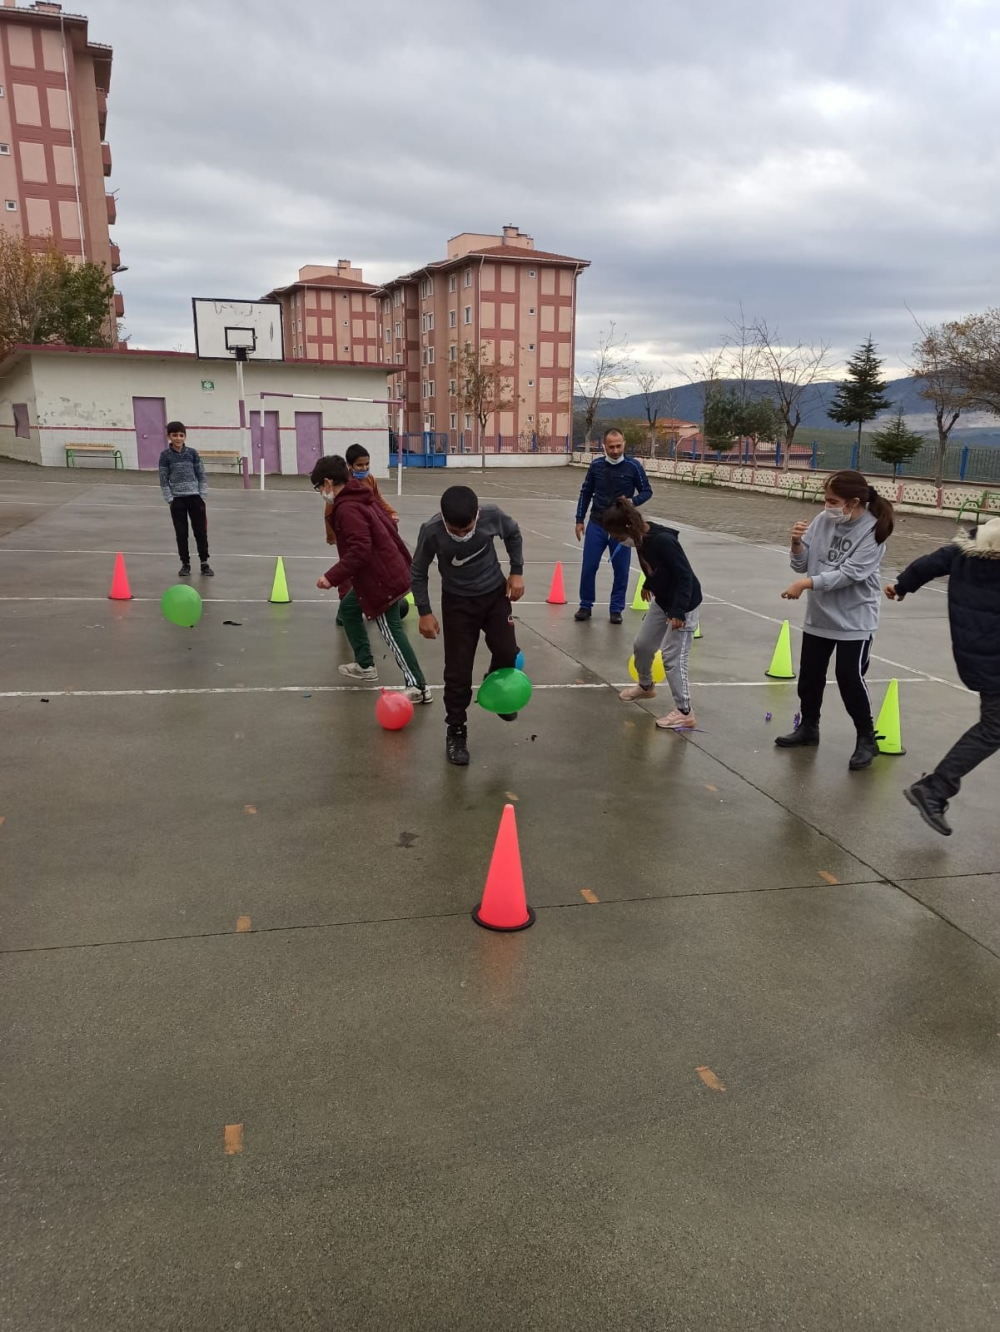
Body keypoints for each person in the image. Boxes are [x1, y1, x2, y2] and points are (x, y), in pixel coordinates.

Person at [885, 517, 1000, 836]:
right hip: (994, 661)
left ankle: (936, 787)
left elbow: (928, 564)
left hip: (973, 654)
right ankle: (934, 788)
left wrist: (901, 585)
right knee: (993, 729)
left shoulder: (966, 549)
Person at [775, 470, 894, 771]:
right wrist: (796, 543)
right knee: (810, 675)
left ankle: (867, 739)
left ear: (854, 502)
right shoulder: (823, 519)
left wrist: (804, 585)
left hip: (855, 617)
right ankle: (809, 727)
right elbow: (802, 564)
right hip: (820, 614)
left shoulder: (873, 531)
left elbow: (850, 574)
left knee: (849, 677)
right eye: (826, 499)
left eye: (833, 500)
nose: (827, 506)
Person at [411, 485, 524, 766]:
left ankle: (495, 687)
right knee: (458, 671)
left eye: (467, 529)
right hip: (458, 604)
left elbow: (513, 533)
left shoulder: (491, 516)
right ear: (444, 519)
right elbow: (418, 571)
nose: (461, 536)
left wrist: (517, 571)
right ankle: (456, 730)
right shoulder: (432, 530)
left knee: (508, 652)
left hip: (494, 596)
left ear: (477, 514)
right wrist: (424, 612)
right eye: (455, 531)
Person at [310, 455, 431, 705]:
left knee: (391, 630)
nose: (321, 492)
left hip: (380, 578)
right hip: (380, 572)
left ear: (328, 482)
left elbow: (360, 551)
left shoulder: (347, 508)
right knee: (349, 609)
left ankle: (418, 686)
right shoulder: (359, 496)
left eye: (319, 487)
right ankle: (365, 665)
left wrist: (331, 577)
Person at [602, 497, 703, 730]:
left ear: (628, 527)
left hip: (683, 605)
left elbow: (684, 576)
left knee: (672, 658)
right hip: (663, 599)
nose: (618, 541)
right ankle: (646, 687)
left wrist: (679, 612)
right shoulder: (640, 538)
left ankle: (685, 711)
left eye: (618, 537)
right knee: (643, 645)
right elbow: (658, 568)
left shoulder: (663, 541)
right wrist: (649, 582)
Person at [324, 443, 405, 682]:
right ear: (350, 467)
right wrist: (331, 535)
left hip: (363, 536)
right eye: (359, 465)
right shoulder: (342, 486)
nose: (364, 468)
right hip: (347, 535)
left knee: (360, 574)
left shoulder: (369, 480)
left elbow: (378, 500)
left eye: (367, 464)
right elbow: (328, 511)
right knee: (347, 575)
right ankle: (345, 610)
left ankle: (353, 614)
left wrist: (390, 513)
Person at [574, 428, 652, 623]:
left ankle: (616, 609)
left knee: (621, 569)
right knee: (589, 566)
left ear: (624, 444)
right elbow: (585, 492)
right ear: (604, 447)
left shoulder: (634, 466)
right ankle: (585, 605)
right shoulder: (596, 466)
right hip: (597, 524)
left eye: (618, 446)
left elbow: (647, 491)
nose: (615, 451)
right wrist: (579, 519)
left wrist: (631, 502)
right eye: (611, 447)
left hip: (622, 528)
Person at [158, 421, 213, 577]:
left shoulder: (192, 453)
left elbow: (201, 474)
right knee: (181, 533)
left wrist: (202, 495)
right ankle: (185, 564)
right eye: (174, 435)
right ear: (169, 436)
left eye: (181, 435)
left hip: (195, 498)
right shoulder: (165, 456)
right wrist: (170, 498)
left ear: (185, 436)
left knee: (201, 532)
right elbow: (163, 479)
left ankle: (204, 563)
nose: (178, 438)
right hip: (177, 500)